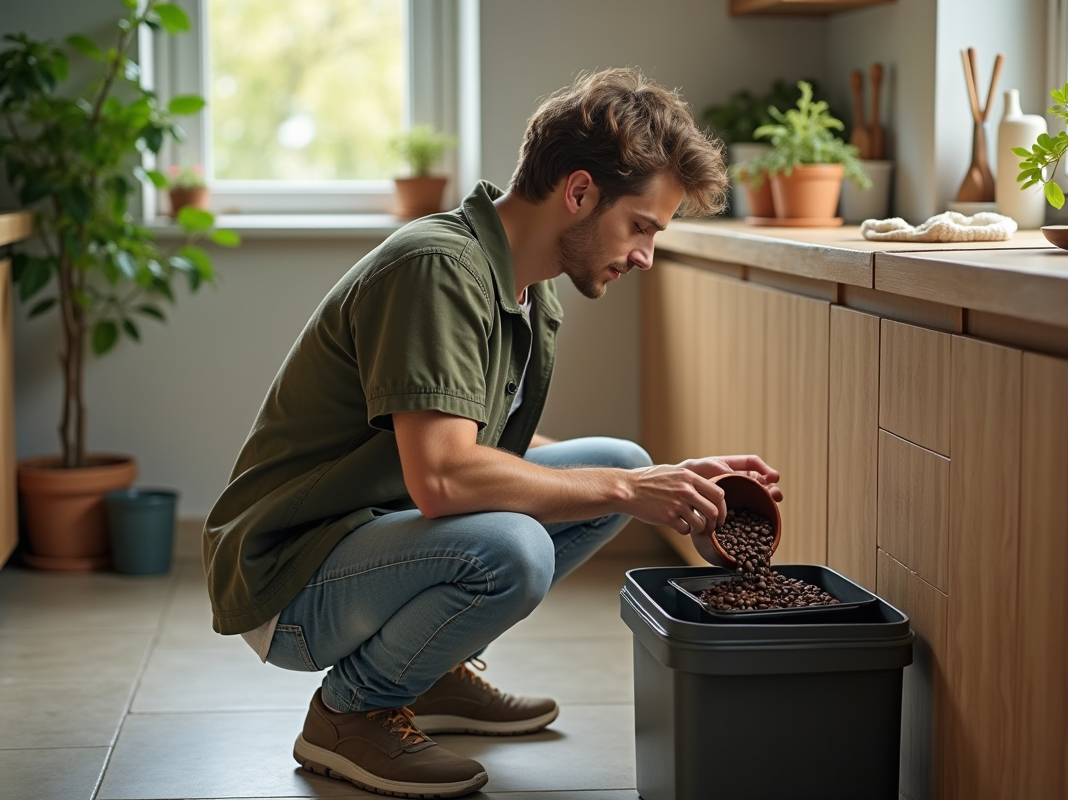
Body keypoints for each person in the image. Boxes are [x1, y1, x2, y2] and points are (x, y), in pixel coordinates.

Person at [202, 67, 783, 798]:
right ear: (579, 192)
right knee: (518, 546)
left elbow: (491, 449)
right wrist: (630, 491)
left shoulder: (529, 295)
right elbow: (443, 479)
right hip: (290, 574)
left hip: (372, 537)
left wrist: (672, 484)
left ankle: (433, 674)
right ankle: (351, 713)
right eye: (640, 227)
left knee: (619, 461)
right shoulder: (438, 268)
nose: (645, 256)